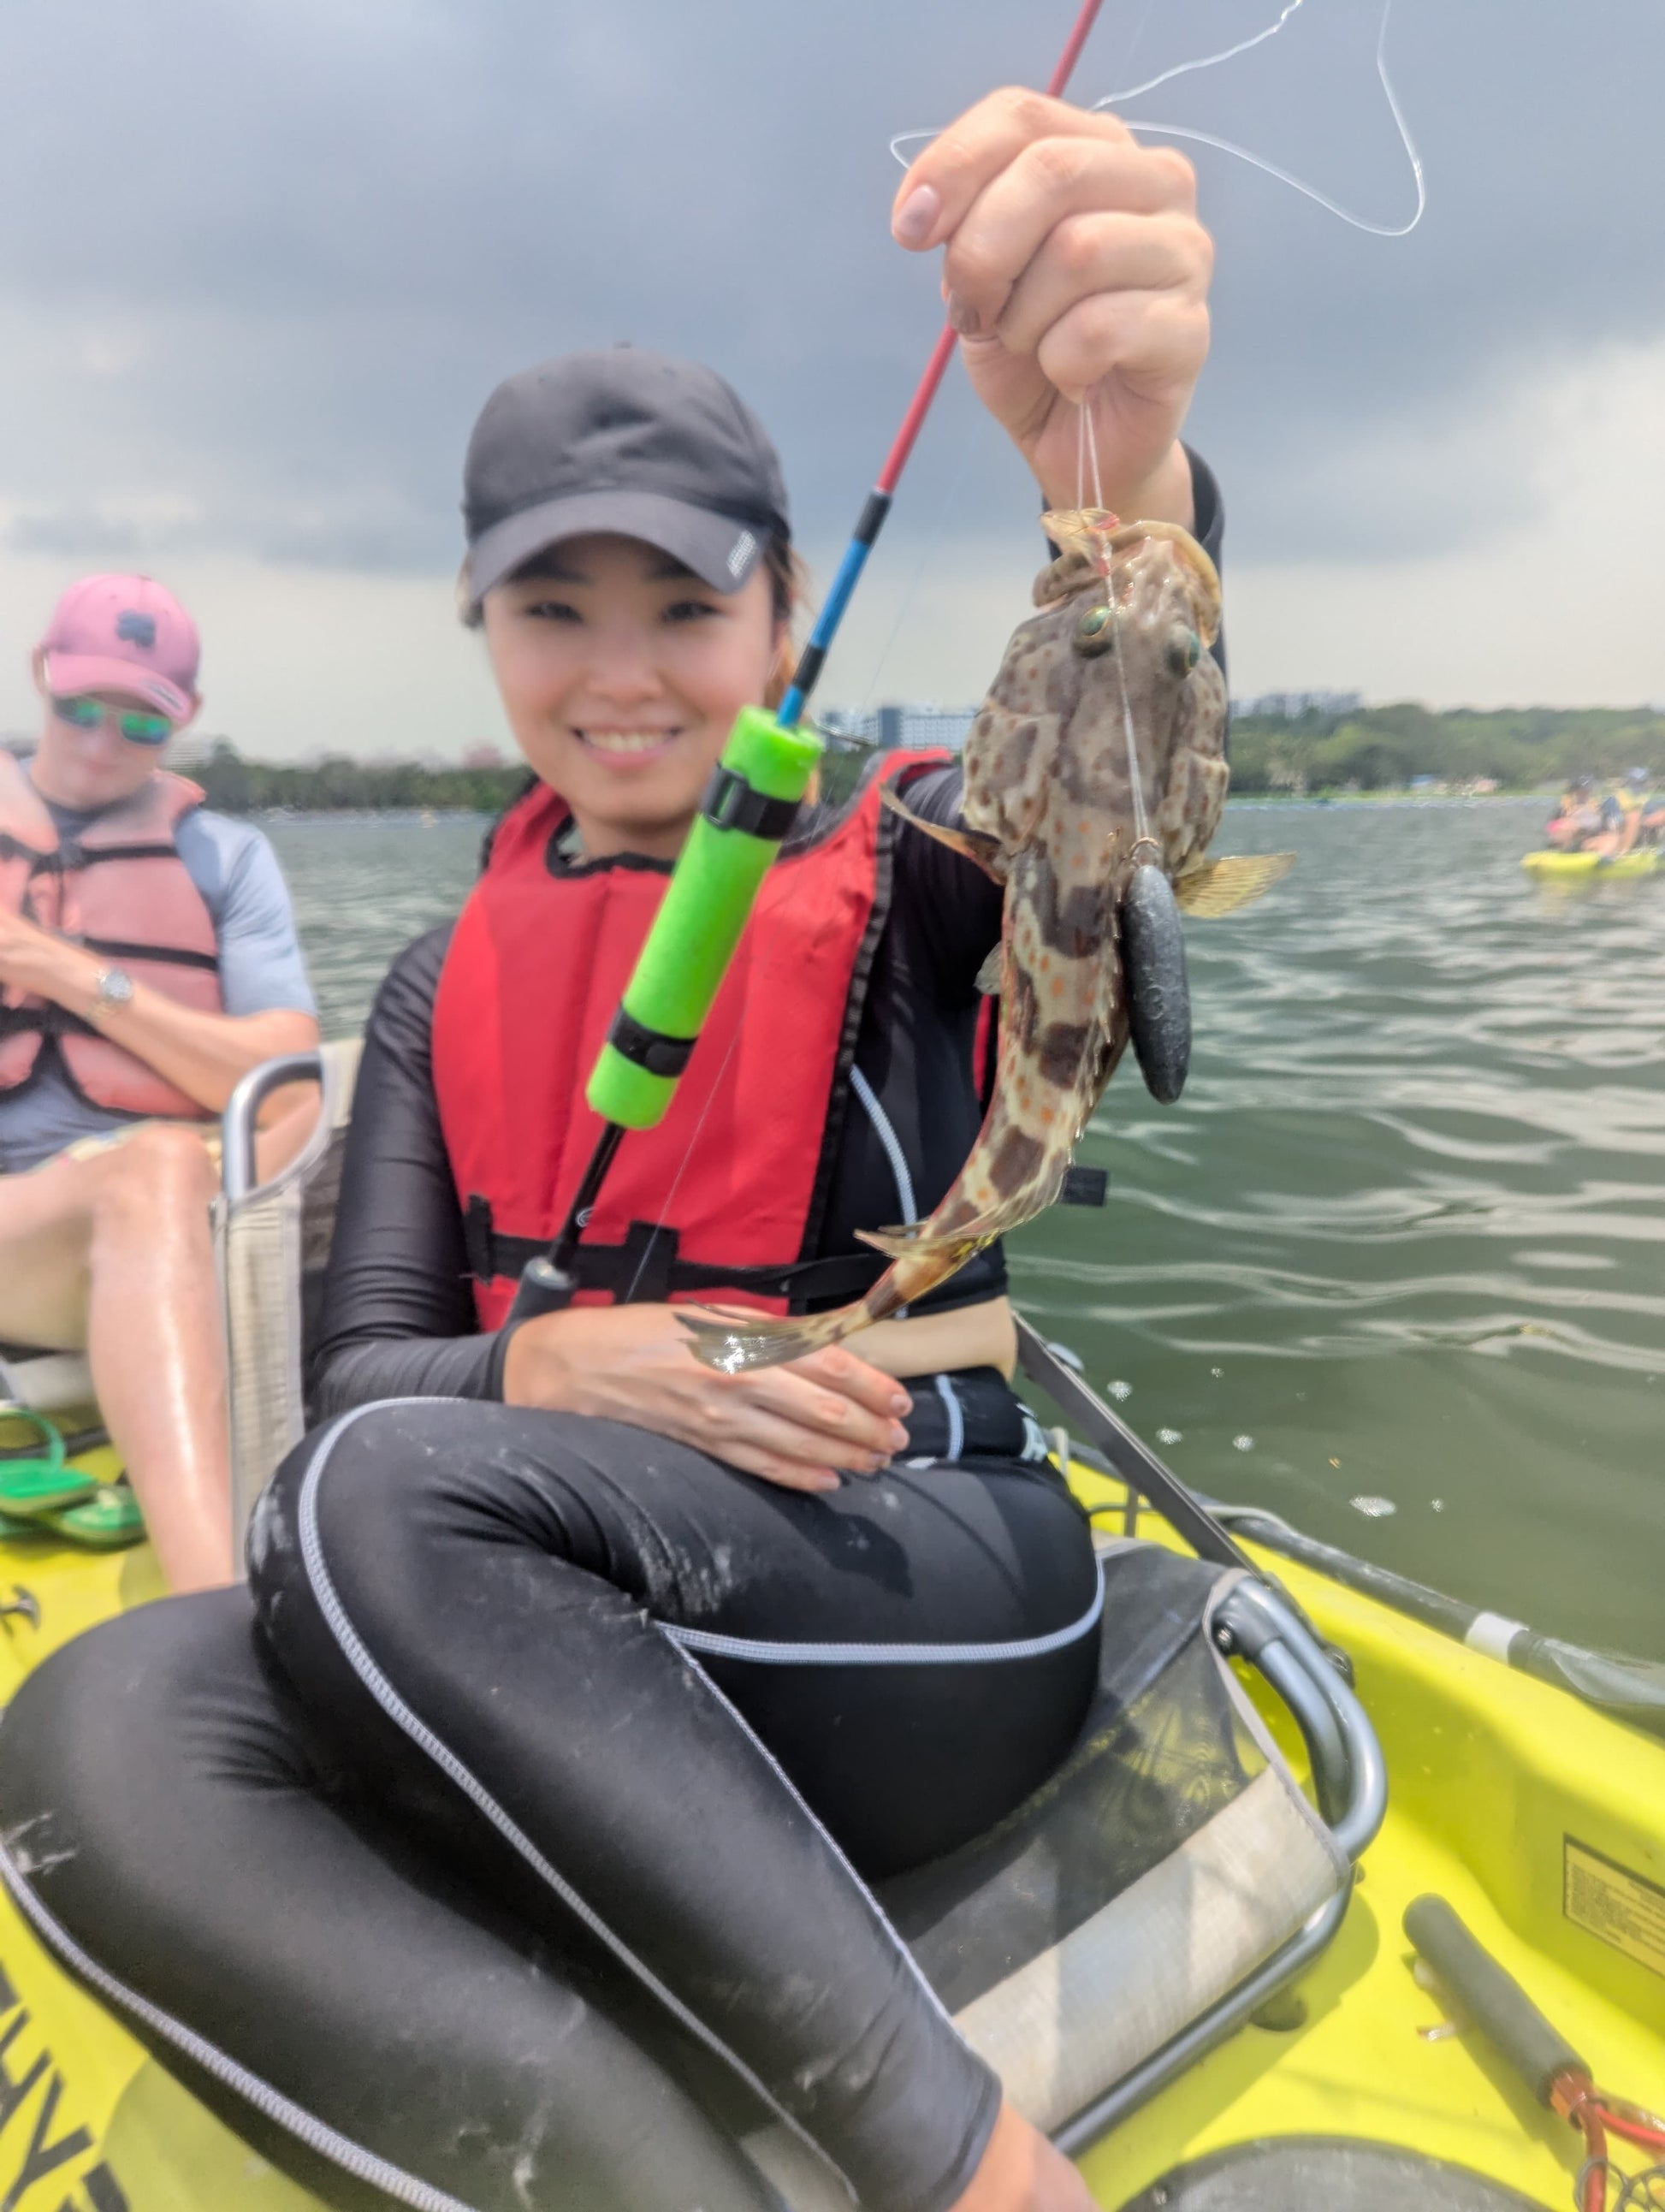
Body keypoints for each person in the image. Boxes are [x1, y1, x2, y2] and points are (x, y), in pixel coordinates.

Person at [0, 93, 1217, 2212]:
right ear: (486, 638)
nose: (625, 669)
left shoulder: (921, 851)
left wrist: (1129, 474)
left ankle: (973, 2176)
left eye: (684, 597)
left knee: (377, 1503)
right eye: (557, 608)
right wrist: (541, 1372)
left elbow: (1120, 791)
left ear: (776, 612)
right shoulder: (429, 985)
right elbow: (385, 1372)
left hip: (901, 1562)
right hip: (524, 1601)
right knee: (108, 1719)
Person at [0, 574, 319, 1586]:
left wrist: (70, 973)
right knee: (155, 1173)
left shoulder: (227, 859)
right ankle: (217, 1607)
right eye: (78, 708)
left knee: (169, 1165)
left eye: (138, 721)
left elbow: (284, 1071)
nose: (99, 741)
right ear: (40, 674)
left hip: (153, 1209)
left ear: (185, 720)